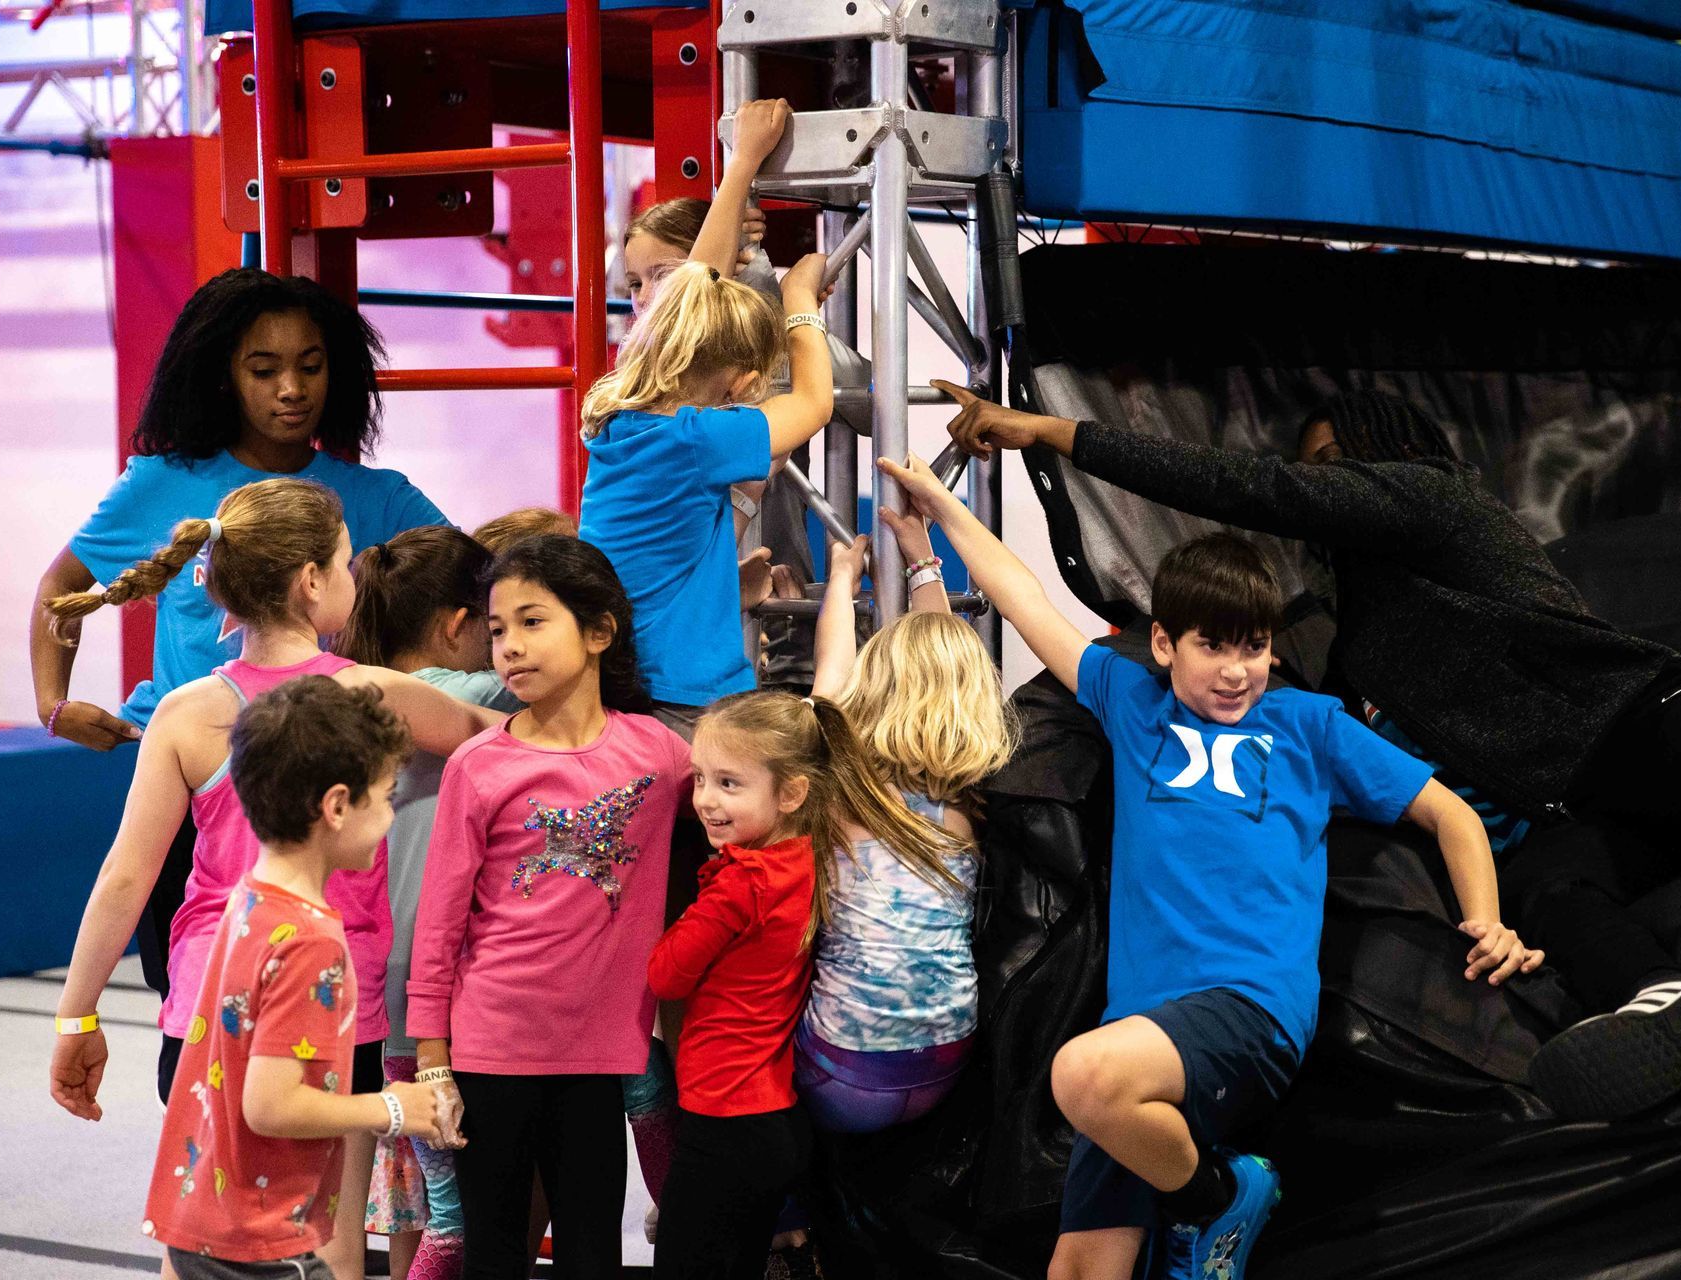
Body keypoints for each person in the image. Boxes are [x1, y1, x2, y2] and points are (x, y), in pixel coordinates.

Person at [933, 381, 1681, 1120]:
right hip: (1567, 808)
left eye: (1334, 459)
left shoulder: (1431, 500)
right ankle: (1659, 1001)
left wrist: (1050, 433)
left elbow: (1248, 489)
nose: (1320, 482)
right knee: (1554, 895)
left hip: (1635, 718)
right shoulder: (1352, 651)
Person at [878, 451, 1540, 1280]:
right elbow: (1023, 598)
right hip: (1141, 1041)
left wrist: (1487, 917)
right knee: (1079, 1267)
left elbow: (1447, 813)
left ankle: (1219, 1197)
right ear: (1163, 643)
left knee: (1079, 1074)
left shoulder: (1308, 725)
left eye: (1254, 647)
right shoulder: (1132, 703)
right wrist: (937, 514)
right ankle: (1205, 1210)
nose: (1237, 670)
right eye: (1213, 646)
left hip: (1248, 1007)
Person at [46, 478, 493, 1280]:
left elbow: (127, 875)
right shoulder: (367, 693)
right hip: (325, 988)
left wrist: (77, 1017)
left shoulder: (184, 713)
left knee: (203, 1203)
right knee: (327, 1220)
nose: (354, 580)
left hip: (211, 993)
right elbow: (495, 741)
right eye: (348, 562)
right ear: (312, 581)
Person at [30, 267, 447, 1006]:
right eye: (264, 368)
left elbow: (477, 591)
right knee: (192, 989)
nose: (291, 388)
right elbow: (60, 588)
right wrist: (53, 704)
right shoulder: (163, 483)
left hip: (317, 786)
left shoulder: (379, 497)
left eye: (311, 367)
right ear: (224, 375)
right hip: (194, 778)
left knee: (327, 996)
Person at [407, 535, 693, 1280]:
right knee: (493, 1255)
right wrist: (433, 1061)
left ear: (599, 631)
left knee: (593, 1255)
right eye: (498, 630)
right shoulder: (481, 763)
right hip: (489, 1048)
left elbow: (756, 784)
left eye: (533, 622)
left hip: (601, 1058)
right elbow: (440, 923)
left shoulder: (658, 754)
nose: (509, 647)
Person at [129, 676, 444, 1279]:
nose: (388, 818)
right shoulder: (312, 943)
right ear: (335, 807)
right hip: (262, 1240)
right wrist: (390, 1108)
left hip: (209, 1215)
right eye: (385, 798)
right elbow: (271, 1106)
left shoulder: (247, 901)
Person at [646, 689, 966, 1280]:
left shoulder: (742, 883)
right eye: (698, 779)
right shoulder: (804, 857)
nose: (706, 801)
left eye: (729, 784)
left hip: (725, 1118)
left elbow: (666, 973)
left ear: (792, 792)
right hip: (774, 1115)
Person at [334, 525, 524, 1280]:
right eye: (500, 624)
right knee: (452, 1211)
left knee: (413, 1189)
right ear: (458, 625)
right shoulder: (474, 691)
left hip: (380, 975)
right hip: (438, 981)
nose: (509, 642)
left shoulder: (361, 690)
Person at [790, 530, 1017, 1132]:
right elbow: (940, 669)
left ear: (877, 684)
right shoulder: (966, 804)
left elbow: (830, 683)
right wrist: (922, 564)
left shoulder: (845, 788)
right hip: (948, 1060)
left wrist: (842, 578)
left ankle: (781, 1209)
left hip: (843, 1076)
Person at [577, 248, 834, 734]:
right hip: (686, 695)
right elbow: (814, 403)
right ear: (740, 385)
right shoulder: (699, 438)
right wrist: (799, 300)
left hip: (628, 680)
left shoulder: (621, 429)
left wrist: (722, 581)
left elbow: (667, 540)